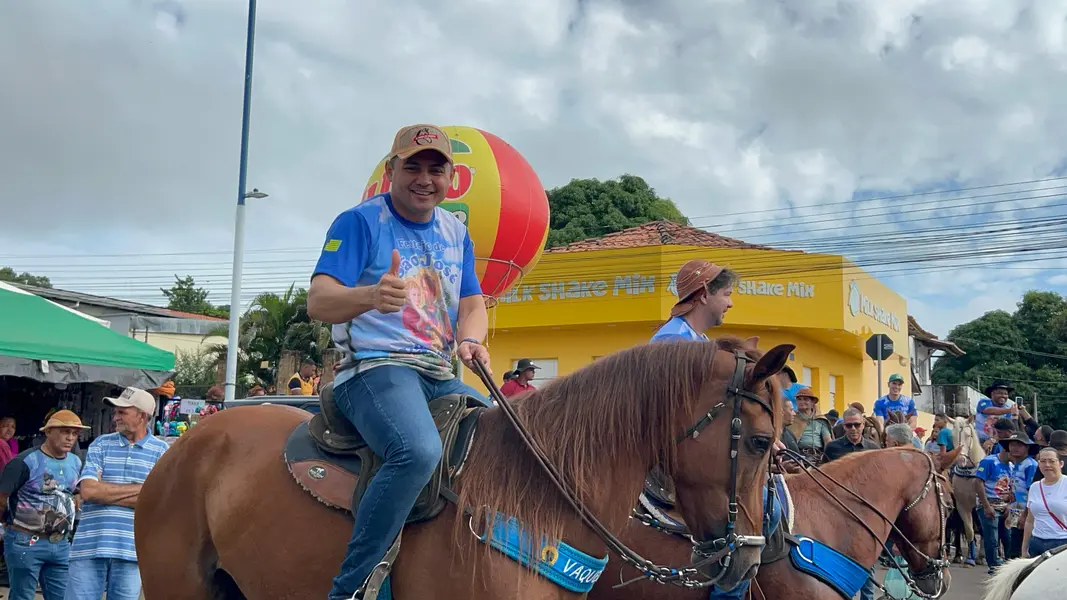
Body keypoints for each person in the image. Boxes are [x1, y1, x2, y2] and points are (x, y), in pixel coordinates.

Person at [306, 124, 493, 600]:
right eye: (413, 167)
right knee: (418, 451)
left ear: (452, 178)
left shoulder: (456, 231)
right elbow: (319, 301)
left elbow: (472, 303)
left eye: (436, 169)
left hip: (439, 372)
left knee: (507, 440)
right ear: (391, 170)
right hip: (374, 368)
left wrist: (472, 340)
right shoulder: (359, 222)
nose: (424, 179)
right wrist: (370, 296)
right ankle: (352, 588)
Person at [67, 387, 170, 600]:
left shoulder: (162, 452)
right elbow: (89, 491)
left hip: (132, 550)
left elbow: (159, 501)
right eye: (116, 412)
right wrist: (143, 489)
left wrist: (106, 490)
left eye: (122, 412)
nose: (115, 417)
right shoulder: (101, 444)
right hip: (89, 545)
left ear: (142, 416)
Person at [0, 410, 88, 600]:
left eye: (75, 433)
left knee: (62, 596)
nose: (70, 438)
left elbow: (75, 489)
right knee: (22, 596)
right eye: (65, 432)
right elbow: (2, 496)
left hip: (61, 542)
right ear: (48, 432)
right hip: (25, 539)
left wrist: (76, 498)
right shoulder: (25, 461)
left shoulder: (75, 461)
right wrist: (7, 523)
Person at [821, 407, 881, 600]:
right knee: (841, 558)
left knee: (867, 560)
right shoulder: (833, 448)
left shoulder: (874, 449)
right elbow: (823, 477)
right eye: (849, 425)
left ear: (863, 425)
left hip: (865, 512)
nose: (853, 429)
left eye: (857, 424)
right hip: (839, 510)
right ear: (843, 426)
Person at [976, 431, 1039, 574]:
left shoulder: (1030, 465)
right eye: (1012, 445)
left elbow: (1032, 492)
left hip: (1025, 514)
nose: (1015, 448)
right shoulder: (1015, 465)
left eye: (1019, 445)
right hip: (1013, 512)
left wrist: (1025, 515)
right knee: (1011, 548)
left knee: (1019, 549)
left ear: (1027, 448)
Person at [650, 259, 737, 342]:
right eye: (727, 294)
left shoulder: (695, 338)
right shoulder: (674, 339)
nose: (730, 304)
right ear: (704, 296)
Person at [1021, 447, 1067, 557]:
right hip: (1036, 542)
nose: (1047, 465)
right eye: (1043, 461)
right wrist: (1024, 548)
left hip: (1062, 543)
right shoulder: (1034, 487)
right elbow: (1030, 520)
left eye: (1052, 461)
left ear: (1061, 464)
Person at [789, 388, 832, 463]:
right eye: (799, 399)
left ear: (812, 402)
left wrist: (827, 459)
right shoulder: (791, 417)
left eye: (805, 399)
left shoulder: (820, 419)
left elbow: (827, 441)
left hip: (817, 455)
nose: (802, 402)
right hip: (796, 455)